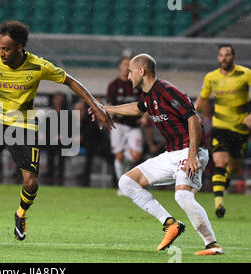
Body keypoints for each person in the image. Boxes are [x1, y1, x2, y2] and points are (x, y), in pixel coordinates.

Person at [0, 21, 113, 241]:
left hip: (24, 127)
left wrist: (95, 104)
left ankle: (20, 214)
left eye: (6, 49)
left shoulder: (38, 66)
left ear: (19, 47)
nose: (2, 53)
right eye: (0, 48)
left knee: (30, 183)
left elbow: (70, 81)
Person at [93, 53, 223, 255]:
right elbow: (137, 109)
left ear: (141, 71)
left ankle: (212, 244)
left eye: (130, 71)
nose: (128, 77)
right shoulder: (147, 95)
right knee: (126, 182)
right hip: (171, 154)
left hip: (190, 151)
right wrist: (105, 109)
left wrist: (191, 156)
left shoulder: (167, 91)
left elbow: (193, 119)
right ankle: (170, 223)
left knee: (182, 195)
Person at [194, 44, 251, 218]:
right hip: (219, 126)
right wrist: (189, 114)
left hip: (240, 127)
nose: (224, 58)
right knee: (219, 162)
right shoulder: (211, 77)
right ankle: (219, 204)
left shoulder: (245, 73)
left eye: (227, 55)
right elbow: (202, 99)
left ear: (233, 57)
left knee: (233, 168)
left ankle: (224, 179)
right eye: (221, 55)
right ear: (218, 57)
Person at [106, 56, 146, 187]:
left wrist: (145, 116)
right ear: (119, 66)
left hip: (134, 125)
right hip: (118, 125)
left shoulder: (137, 84)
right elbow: (108, 104)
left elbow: (145, 103)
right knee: (119, 156)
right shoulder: (113, 85)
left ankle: (127, 177)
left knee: (136, 155)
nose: (126, 67)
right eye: (124, 64)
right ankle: (122, 185)